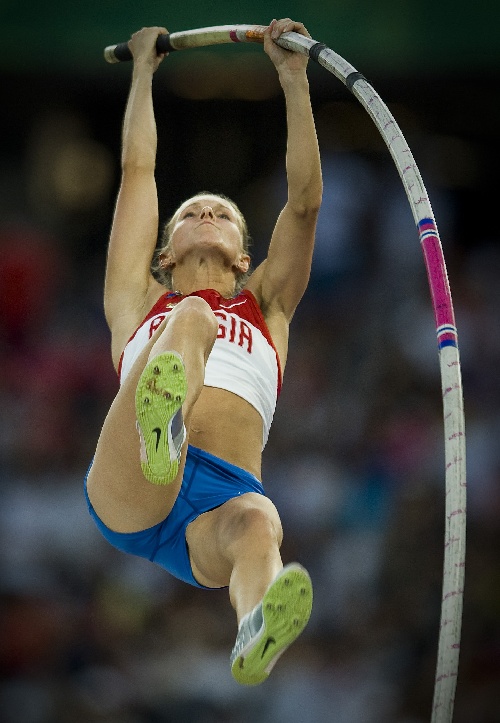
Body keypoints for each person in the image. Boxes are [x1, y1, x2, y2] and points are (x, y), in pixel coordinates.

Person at [85, 18, 322, 686]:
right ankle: (165, 426)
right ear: (166, 251)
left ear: (246, 256)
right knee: (191, 316)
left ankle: (255, 629)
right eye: (195, 210)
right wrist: (142, 70)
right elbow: (138, 168)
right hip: (136, 474)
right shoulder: (138, 301)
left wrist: (293, 78)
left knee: (260, 521)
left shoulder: (267, 306)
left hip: (215, 504)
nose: (210, 213)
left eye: (224, 211)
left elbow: (303, 205)